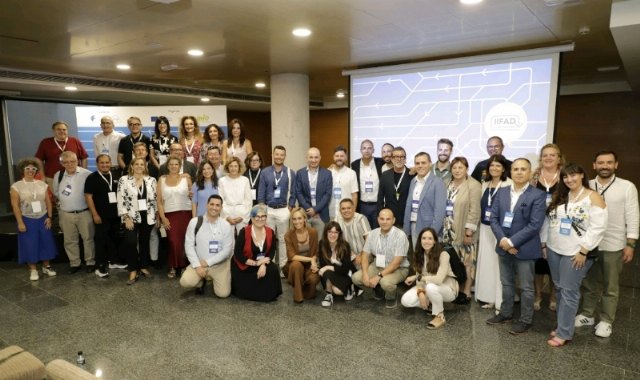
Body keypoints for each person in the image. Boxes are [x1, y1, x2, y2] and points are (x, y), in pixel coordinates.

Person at [542, 163, 607, 347]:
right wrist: (546, 244)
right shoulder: (562, 196)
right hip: (555, 249)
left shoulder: (592, 196)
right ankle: (564, 324)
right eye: (565, 177)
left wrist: (583, 250)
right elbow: (551, 221)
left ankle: (564, 333)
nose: (569, 180)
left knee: (569, 291)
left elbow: (598, 227)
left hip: (576, 253)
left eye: (573, 175)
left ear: (582, 175)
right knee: (560, 289)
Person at [575, 150, 639, 338]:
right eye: (601, 163)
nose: (605, 166)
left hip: (614, 244)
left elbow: (633, 216)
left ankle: (606, 320)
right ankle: (587, 314)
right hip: (589, 244)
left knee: (611, 285)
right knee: (588, 282)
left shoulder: (627, 187)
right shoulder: (586, 184)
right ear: (594, 165)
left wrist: (631, 243)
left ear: (616, 165)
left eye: (609, 162)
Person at [487, 158, 546, 335]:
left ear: (530, 173)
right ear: (510, 172)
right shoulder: (502, 192)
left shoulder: (537, 195)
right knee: (506, 283)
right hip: (503, 246)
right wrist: (503, 241)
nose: (519, 172)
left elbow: (535, 225)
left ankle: (526, 320)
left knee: (527, 287)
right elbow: (493, 219)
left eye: (523, 169)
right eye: (516, 169)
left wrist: (512, 242)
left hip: (525, 248)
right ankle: (506, 313)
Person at [440, 157, 481, 302]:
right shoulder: (446, 183)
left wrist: (468, 232)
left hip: (464, 231)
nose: (457, 170)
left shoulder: (473, 185)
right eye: (455, 167)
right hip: (447, 230)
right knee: (452, 261)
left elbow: (475, 210)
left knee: (466, 262)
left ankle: (467, 291)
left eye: (460, 168)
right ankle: (455, 288)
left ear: (467, 169)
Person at [10, 158, 58, 281]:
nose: (31, 171)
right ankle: (33, 269)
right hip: (27, 219)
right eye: (28, 168)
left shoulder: (42, 184)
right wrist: (20, 222)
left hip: (42, 218)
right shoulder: (16, 186)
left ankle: (46, 266)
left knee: (46, 242)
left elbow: (48, 201)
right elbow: (15, 206)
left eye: (33, 169)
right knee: (30, 244)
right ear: (23, 170)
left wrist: (49, 217)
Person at [352, 208, 410, 308]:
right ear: (378, 220)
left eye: (388, 219)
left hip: (398, 268)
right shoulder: (372, 234)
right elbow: (365, 255)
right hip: (378, 265)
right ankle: (378, 289)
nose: (384, 222)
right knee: (356, 278)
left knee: (385, 282)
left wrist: (378, 276)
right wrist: (365, 274)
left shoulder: (400, 236)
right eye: (382, 219)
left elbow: (396, 263)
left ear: (393, 220)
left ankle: (391, 297)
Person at [474, 154, 512, 310]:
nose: (494, 168)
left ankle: (500, 299)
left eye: (498, 166)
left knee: (499, 266)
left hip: (501, 231)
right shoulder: (485, 184)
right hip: (485, 229)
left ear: (503, 168)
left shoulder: (509, 184)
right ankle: (488, 297)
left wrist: (506, 233)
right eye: (491, 166)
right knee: (487, 265)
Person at [401, 228, 458, 329]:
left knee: (431, 287)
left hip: (448, 288)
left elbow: (439, 279)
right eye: (424, 238)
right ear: (420, 240)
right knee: (406, 300)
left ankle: (439, 316)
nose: (426, 241)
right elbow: (419, 279)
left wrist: (418, 277)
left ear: (435, 241)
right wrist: (421, 292)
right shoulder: (419, 254)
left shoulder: (443, 254)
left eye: (430, 238)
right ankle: (432, 304)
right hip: (428, 287)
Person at [531, 143, 564, 311]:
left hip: (558, 226)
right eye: (545, 155)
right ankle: (537, 295)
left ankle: (553, 296)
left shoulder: (565, 176)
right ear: (541, 158)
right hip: (537, 226)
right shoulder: (534, 177)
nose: (548, 158)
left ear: (559, 158)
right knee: (538, 265)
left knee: (553, 265)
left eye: (553, 155)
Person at [180, 195, 234, 297]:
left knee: (223, 294)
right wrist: (197, 266)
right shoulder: (195, 222)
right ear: (206, 205)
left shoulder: (226, 225)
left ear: (221, 208)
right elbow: (189, 246)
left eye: (217, 205)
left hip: (220, 265)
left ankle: (213, 279)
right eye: (212, 204)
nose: (214, 207)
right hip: (199, 264)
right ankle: (200, 281)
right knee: (185, 281)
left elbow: (227, 250)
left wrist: (208, 262)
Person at [52, 151, 95, 274]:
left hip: (84, 213)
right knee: (70, 240)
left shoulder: (87, 174)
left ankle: (90, 262)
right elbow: (56, 193)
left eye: (73, 161)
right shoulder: (58, 175)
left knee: (88, 239)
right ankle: (75, 263)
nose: (70, 164)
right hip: (66, 214)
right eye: (66, 162)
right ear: (62, 163)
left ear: (77, 161)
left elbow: (92, 194)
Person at [117, 157, 157, 285]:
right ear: (132, 166)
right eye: (137, 164)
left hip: (148, 216)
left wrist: (157, 216)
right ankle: (133, 270)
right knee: (131, 242)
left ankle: (144, 267)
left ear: (145, 166)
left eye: (142, 164)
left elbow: (156, 199)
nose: (139, 166)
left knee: (144, 242)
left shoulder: (151, 180)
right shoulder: (124, 180)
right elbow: (120, 199)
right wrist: (126, 218)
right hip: (131, 217)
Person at [231, 205, 282, 302]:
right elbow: (237, 254)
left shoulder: (270, 231)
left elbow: (271, 252)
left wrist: (262, 264)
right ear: (252, 218)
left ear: (266, 218)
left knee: (273, 269)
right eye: (257, 216)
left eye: (263, 216)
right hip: (245, 264)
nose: (260, 219)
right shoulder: (244, 231)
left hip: (261, 261)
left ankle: (265, 293)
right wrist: (256, 263)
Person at [258, 145, 296, 272]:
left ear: (285, 156)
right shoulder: (265, 172)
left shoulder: (290, 172)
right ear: (272, 155)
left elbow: (293, 191)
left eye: (282, 154)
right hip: (268, 209)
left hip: (283, 209)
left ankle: (283, 267)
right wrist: (262, 208)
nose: (279, 157)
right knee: (268, 238)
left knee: (283, 239)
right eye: (277, 154)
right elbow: (261, 192)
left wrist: (290, 206)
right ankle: (270, 266)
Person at [84, 154, 124, 277]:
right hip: (101, 216)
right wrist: (94, 214)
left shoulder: (116, 175)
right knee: (101, 241)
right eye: (102, 163)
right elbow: (88, 197)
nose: (105, 165)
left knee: (114, 238)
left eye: (107, 162)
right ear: (97, 164)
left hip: (116, 215)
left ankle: (113, 261)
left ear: (110, 163)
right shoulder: (92, 177)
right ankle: (99, 266)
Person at [157, 156, 193, 279]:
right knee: (173, 241)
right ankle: (172, 265)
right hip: (169, 215)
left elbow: (192, 197)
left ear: (180, 166)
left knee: (184, 241)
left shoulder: (186, 178)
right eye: (171, 164)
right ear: (167, 166)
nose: (173, 166)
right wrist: (163, 217)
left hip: (185, 214)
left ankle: (183, 266)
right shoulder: (161, 180)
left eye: (176, 164)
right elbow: (159, 201)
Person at [403, 152, 446, 247]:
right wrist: (406, 229)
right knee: (418, 258)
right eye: (417, 163)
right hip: (413, 225)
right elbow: (409, 205)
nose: (420, 166)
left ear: (430, 164)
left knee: (430, 260)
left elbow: (439, 212)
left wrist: (432, 233)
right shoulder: (413, 181)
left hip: (428, 228)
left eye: (423, 163)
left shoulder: (438, 182)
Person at [283, 207, 320, 303]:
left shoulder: (313, 232)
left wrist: (313, 262)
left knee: (311, 290)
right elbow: (292, 256)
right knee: (296, 264)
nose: (297, 222)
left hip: (309, 267)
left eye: (299, 218)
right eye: (294, 219)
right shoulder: (288, 234)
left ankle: (300, 284)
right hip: (294, 267)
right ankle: (298, 296)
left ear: (304, 219)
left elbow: (316, 251)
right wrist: (311, 259)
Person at [35, 121, 88, 186]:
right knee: (55, 196)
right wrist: (42, 176)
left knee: (75, 195)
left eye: (64, 129)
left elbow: (84, 157)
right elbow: (39, 159)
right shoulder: (45, 142)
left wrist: (83, 173)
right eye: (58, 129)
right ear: (53, 131)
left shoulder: (75, 141)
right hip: (52, 178)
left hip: (74, 177)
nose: (62, 131)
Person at [318, 221, 357, 307]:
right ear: (326, 232)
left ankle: (350, 288)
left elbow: (345, 269)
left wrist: (328, 266)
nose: (333, 235)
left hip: (344, 274)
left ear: (339, 234)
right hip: (331, 274)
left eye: (336, 232)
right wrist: (327, 268)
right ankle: (328, 295)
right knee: (326, 272)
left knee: (337, 291)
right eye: (330, 232)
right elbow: (322, 265)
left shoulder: (345, 245)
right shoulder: (322, 244)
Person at [295, 147, 332, 235]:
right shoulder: (300, 173)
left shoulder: (327, 173)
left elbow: (327, 194)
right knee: (305, 242)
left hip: (321, 214)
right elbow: (298, 192)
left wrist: (315, 210)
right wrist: (309, 209)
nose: (313, 160)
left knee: (320, 243)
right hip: (305, 214)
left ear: (320, 158)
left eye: (316, 157)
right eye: (311, 157)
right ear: (307, 158)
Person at [378, 146, 414, 228]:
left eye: (402, 157)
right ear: (392, 159)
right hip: (389, 220)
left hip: (407, 220)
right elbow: (380, 198)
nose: (399, 159)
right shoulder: (385, 175)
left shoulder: (412, 175)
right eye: (396, 157)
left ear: (405, 160)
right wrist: (380, 216)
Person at [351, 139, 384, 228]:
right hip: (362, 205)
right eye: (364, 148)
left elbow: (394, 163)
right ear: (361, 150)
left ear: (373, 150)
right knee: (363, 230)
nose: (367, 150)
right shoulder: (355, 164)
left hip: (377, 205)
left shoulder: (380, 162)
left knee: (376, 230)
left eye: (369, 148)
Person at [218, 157, 252, 235]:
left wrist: (243, 216)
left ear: (239, 167)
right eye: (231, 166)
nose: (233, 168)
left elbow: (248, 201)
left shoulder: (245, 180)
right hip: (227, 212)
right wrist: (226, 217)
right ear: (227, 167)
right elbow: (221, 200)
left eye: (235, 166)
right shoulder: (222, 181)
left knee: (242, 239)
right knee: (228, 240)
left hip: (242, 212)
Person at [335, 198, 371, 269]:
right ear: (340, 211)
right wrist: (353, 256)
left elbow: (369, 240)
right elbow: (337, 241)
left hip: (364, 253)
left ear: (354, 208)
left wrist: (361, 255)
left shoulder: (361, 219)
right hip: (347, 254)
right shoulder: (337, 220)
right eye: (343, 208)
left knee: (359, 270)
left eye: (349, 208)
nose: (346, 211)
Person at [328, 145, 358, 220]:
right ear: (333, 157)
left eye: (342, 156)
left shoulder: (351, 173)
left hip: (346, 214)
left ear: (346, 158)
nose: (339, 158)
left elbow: (354, 195)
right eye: (337, 156)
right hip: (329, 213)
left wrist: (353, 211)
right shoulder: (327, 172)